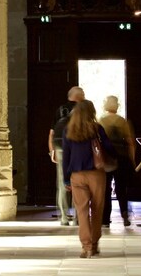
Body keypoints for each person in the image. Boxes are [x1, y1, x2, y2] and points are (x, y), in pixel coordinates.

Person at [62, 99, 117, 258]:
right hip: (96, 173)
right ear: (91, 113)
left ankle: (85, 246)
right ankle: (94, 243)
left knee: (82, 211)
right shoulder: (97, 129)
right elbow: (108, 147)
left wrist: (66, 178)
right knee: (97, 209)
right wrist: (115, 157)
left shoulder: (68, 131)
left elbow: (66, 156)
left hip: (77, 175)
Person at [49, 86, 84, 225]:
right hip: (76, 148)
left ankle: (63, 217)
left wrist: (52, 150)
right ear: (79, 96)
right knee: (78, 182)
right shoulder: (82, 109)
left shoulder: (60, 109)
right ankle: (77, 218)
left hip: (61, 148)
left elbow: (52, 132)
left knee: (62, 183)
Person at [99, 95, 136, 226]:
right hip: (121, 158)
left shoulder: (101, 121)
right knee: (121, 188)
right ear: (117, 105)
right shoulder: (122, 121)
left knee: (106, 189)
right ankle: (125, 214)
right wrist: (132, 158)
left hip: (106, 158)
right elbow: (130, 142)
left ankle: (105, 219)